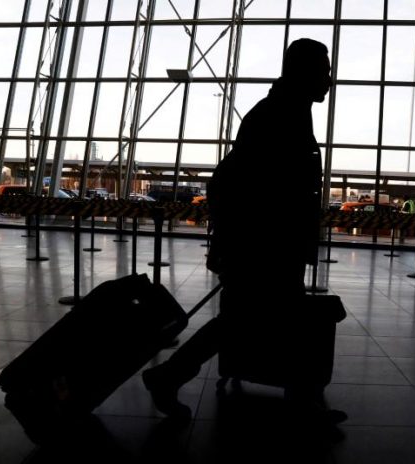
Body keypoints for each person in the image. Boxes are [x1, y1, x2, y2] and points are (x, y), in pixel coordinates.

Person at [141, 38, 345, 424]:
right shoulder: (280, 115)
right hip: (265, 248)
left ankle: (168, 376)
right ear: (304, 71)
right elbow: (241, 186)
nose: (329, 80)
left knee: (246, 323)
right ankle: (301, 405)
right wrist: (247, 243)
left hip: (266, 246)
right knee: (265, 322)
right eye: (324, 70)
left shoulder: (286, 111)